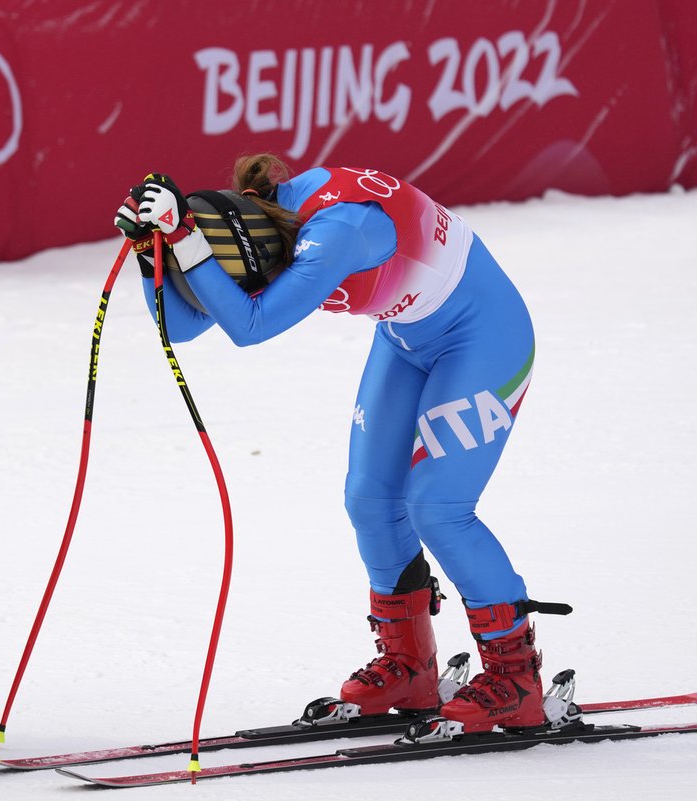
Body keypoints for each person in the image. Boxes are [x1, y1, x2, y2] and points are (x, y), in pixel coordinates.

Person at [113, 156, 570, 734]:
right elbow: (185, 325)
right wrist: (152, 251)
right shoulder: (272, 219)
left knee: (439, 509)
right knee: (370, 501)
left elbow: (249, 326)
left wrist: (183, 237)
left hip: (484, 337)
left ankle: (516, 676)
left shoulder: (339, 230)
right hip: (408, 339)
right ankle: (410, 666)